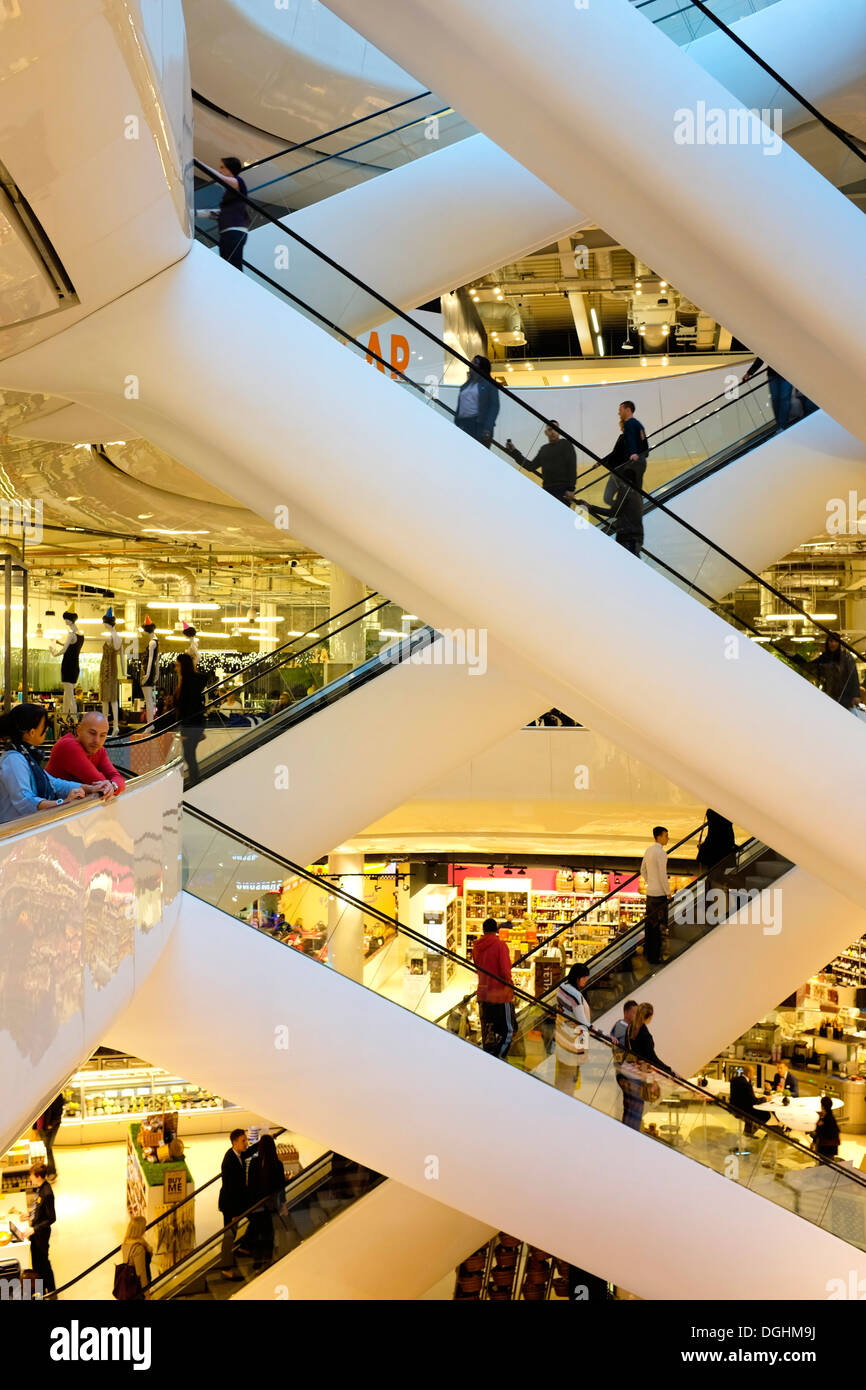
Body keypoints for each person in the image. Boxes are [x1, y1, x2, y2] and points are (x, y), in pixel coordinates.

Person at [0, 704, 89, 822]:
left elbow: (53, 783)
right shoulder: (13, 760)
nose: (47, 729)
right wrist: (62, 803)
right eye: (44, 726)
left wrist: (90, 788)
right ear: (31, 732)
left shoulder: (26, 755)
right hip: (14, 833)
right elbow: (25, 801)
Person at [47, 712, 126, 797]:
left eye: (102, 735)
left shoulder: (99, 750)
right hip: (51, 807)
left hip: (75, 806)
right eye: (92, 733)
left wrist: (113, 786)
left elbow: (118, 778)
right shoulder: (68, 746)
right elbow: (99, 784)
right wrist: (110, 784)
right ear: (79, 730)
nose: (97, 740)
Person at [620, 1002, 669, 1131]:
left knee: (628, 1110)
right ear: (649, 1017)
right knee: (636, 1112)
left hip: (627, 1074)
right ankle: (630, 1141)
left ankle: (623, 1137)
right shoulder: (644, 1034)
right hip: (638, 1078)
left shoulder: (630, 1028)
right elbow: (652, 1058)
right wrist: (668, 1070)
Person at [503, 421, 577, 506]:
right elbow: (530, 466)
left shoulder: (565, 444)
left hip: (562, 489)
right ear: (546, 432)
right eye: (550, 429)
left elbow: (572, 466)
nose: (553, 432)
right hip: (547, 489)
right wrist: (514, 451)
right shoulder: (544, 449)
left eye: (556, 429)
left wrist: (571, 489)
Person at [471, 917, 515, 1059]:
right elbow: (505, 971)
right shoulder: (500, 946)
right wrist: (510, 984)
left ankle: (488, 1059)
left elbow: (477, 967)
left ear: (483, 930)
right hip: (500, 995)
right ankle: (498, 1059)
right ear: (496, 930)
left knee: (488, 1032)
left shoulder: (476, 947)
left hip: (483, 994)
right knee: (509, 1030)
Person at [246, 1132, 286, 1269]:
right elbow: (281, 1187)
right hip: (270, 1206)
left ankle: (257, 1261)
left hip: (256, 1205)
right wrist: (283, 1204)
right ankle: (267, 1260)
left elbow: (250, 1184)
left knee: (258, 1233)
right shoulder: (278, 1165)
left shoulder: (254, 1163)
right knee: (269, 1233)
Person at [201, 157, 250, 265]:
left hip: (234, 231)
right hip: (227, 232)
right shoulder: (230, 194)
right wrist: (195, 213)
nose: (220, 170)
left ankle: (237, 282)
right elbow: (221, 213)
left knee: (233, 265)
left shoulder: (238, 182)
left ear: (230, 168)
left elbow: (220, 178)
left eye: (223, 167)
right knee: (227, 265)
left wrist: (199, 163)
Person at [554, 964, 591, 1094]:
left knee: (562, 1075)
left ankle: (558, 1101)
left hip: (561, 1037)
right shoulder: (575, 996)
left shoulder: (562, 987)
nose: (586, 981)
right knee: (569, 1078)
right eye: (584, 978)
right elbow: (583, 1022)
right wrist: (603, 1034)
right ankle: (564, 1105)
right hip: (571, 1044)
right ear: (578, 978)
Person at [169, 653, 207, 782]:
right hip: (196, 723)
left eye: (177, 665)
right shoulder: (192, 680)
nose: (176, 668)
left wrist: (186, 731)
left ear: (183, 666)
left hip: (191, 724)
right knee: (189, 756)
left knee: (188, 756)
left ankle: (194, 782)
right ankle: (194, 781)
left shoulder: (187, 682)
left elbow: (187, 706)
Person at [218, 1128, 249, 1280]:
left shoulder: (237, 1155)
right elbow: (230, 1189)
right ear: (235, 1142)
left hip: (236, 1202)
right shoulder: (229, 1161)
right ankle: (225, 1267)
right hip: (230, 1205)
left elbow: (249, 1152)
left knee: (232, 1233)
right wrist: (234, 1213)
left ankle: (243, 1247)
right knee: (229, 1235)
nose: (246, 1143)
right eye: (243, 1141)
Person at [806, 632, 860, 710]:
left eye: (836, 641)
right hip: (829, 695)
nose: (833, 644)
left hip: (845, 695)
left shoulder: (846, 657)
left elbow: (853, 676)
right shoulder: (824, 657)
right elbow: (810, 666)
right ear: (827, 642)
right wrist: (795, 658)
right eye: (831, 641)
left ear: (839, 643)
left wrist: (856, 695)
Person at [454, 355, 499, 447]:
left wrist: (488, 428)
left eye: (475, 362)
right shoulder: (465, 385)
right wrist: (457, 421)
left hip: (479, 426)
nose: (471, 364)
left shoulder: (489, 385)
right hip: (464, 424)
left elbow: (494, 406)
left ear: (482, 367)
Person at [640, 826, 670, 965]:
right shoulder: (661, 853)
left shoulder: (648, 850)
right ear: (659, 836)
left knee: (650, 926)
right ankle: (656, 957)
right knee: (659, 927)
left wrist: (649, 881)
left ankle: (648, 954)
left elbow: (642, 870)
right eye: (666, 835)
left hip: (650, 893)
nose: (667, 838)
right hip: (660, 895)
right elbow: (663, 875)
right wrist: (668, 892)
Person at [741, 357, 792, 432]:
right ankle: (780, 425)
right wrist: (749, 373)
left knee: (784, 398)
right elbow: (762, 356)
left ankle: (782, 426)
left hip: (788, 372)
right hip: (773, 374)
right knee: (775, 399)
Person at [27, 1163, 56, 1293]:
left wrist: (34, 1229)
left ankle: (51, 1291)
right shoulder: (39, 1188)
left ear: (38, 1176)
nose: (30, 1178)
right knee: (37, 1264)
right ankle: (41, 1291)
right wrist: (29, 1215)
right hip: (36, 1233)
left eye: (31, 1176)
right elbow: (39, 1209)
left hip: (41, 1235)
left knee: (43, 1263)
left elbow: (51, 1218)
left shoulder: (47, 1193)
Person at [696, 809, 736, 888]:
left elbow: (713, 834)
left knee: (713, 876)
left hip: (714, 852)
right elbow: (722, 834)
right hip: (721, 853)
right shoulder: (723, 815)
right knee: (716, 877)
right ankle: (712, 896)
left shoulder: (714, 813)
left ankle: (709, 895)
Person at [119, 1215, 153, 1298]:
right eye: (144, 1226)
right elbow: (141, 1273)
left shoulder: (125, 1244)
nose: (145, 1229)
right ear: (139, 1229)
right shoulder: (139, 1248)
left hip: (129, 1285)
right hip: (139, 1287)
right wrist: (146, 1293)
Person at [729, 1064, 767, 1137]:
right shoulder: (747, 1084)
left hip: (733, 1107)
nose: (754, 1075)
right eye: (753, 1073)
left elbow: (744, 1096)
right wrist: (765, 1098)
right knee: (765, 1115)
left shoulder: (734, 1080)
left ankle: (748, 1131)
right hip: (743, 1110)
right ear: (749, 1074)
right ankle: (749, 1133)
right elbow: (754, 1101)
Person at [34, 1093, 64, 1181]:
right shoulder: (38, 1094)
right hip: (41, 1126)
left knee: (48, 1147)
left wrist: (51, 1124)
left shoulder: (57, 1094)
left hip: (50, 1126)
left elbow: (58, 1112)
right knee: (45, 1148)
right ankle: (48, 1171)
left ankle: (52, 1172)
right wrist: (35, 1127)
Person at [140, 617, 160, 725]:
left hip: (147, 671)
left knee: (148, 700)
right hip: (150, 671)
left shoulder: (152, 643)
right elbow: (157, 659)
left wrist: (147, 674)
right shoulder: (155, 641)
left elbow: (151, 660)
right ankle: (150, 723)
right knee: (149, 700)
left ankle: (150, 724)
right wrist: (157, 672)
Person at [812, 1095, 841, 1159]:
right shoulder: (827, 1117)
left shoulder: (827, 1118)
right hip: (830, 1147)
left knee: (825, 1164)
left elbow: (820, 1131)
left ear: (823, 1106)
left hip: (826, 1148)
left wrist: (814, 1142)